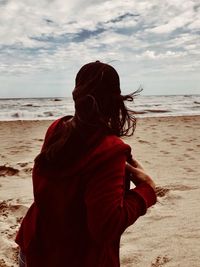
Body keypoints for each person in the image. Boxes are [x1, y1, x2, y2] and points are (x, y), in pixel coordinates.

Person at [15, 61, 157, 267]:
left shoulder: (57, 128)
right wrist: (146, 191)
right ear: (115, 99)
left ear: (77, 93)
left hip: (34, 247)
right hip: (77, 258)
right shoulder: (111, 150)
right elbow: (106, 227)